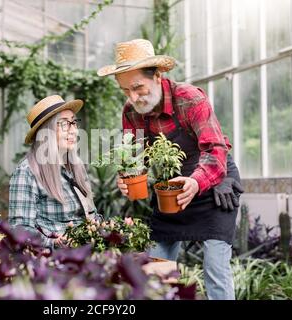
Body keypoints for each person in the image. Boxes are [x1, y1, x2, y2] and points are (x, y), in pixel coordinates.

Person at [97, 39, 244, 300]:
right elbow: (134, 156)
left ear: (157, 75)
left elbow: (215, 149)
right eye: (125, 90)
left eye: (137, 87)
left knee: (215, 267)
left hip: (213, 182)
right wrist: (128, 177)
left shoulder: (189, 99)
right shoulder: (131, 111)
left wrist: (197, 182)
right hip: (171, 186)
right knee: (156, 268)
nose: (132, 97)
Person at [8, 95, 97, 249]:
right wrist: (53, 243)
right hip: (53, 264)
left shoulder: (76, 166)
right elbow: (19, 230)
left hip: (88, 256)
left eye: (74, 123)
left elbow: (91, 215)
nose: (74, 130)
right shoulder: (27, 172)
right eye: (64, 124)